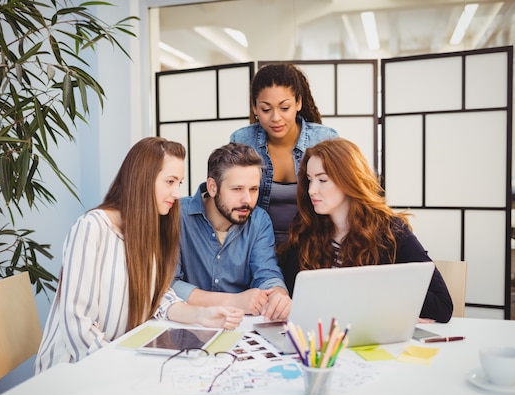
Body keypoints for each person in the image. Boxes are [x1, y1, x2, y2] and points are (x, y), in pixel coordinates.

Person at [35, 137, 244, 374]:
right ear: (143, 179)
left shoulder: (147, 230)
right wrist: (122, 366)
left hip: (118, 358)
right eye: (170, 181)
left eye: (180, 182)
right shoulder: (91, 227)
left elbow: (159, 298)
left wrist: (201, 315)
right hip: (73, 368)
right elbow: (77, 322)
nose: (177, 193)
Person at [278, 138, 453, 323]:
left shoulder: (390, 231)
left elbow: (442, 306)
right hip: (318, 340)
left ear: (348, 180)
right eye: (309, 180)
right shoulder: (306, 227)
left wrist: (394, 307)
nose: (312, 190)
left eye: (322, 180)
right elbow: (292, 294)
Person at [171, 143, 291, 321]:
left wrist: (277, 296)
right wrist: (234, 301)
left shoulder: (259, 220)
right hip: (187, 324)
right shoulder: (178, 216)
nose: (247, 200)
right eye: (237, 189)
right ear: (213, 187)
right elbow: (169, 285)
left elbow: (267, 274)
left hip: (239, 327)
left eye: (253, 189)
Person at [230, 63, 339, 247]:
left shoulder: (324, 139)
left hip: (314, 242)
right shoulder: (242, 140)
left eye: (284, 108)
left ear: (298, 103)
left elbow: (344, 194)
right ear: (255, 108)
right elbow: (229, 195)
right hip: (255, 244)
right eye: (266, 109)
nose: (276, 118)